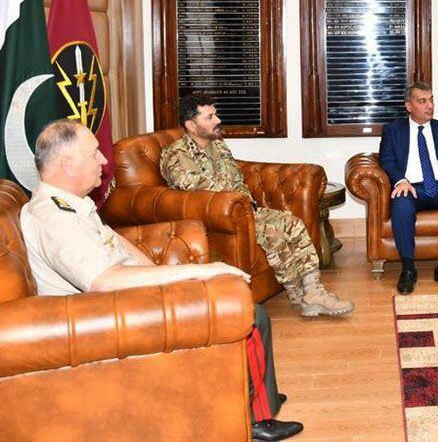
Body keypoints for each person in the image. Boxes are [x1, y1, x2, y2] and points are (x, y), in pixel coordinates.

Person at [20, 120, 303, 441]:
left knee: (232, 299)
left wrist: (160, 275)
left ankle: (256, 391)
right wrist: (197, 272)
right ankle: (255, 417)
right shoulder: (55, 220)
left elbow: (113, 240)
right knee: (251, 315)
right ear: (68, 164)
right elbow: (104, 281)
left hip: (120, 302)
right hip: (105, 318)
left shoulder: (69, 203)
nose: (103, 160)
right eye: (94, 153)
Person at [160, 94, 353, 318]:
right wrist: (239, 207)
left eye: (216, 114)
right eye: (209, 117)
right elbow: (197, 192)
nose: (218, 120)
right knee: (274, 234)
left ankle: (314, 291)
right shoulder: (177, 155)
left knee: (293, 224)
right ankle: (300, 297)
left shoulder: (218, 146)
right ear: (191, 125)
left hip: (243, 211)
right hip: (217, 221)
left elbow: (237, 180)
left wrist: (246, 204)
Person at [379, 82, 438, 295]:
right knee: (401, 203)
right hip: (411, 186)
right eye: (422, 101)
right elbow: (387, 160)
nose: (429, 106)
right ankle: (408, 269)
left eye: (431, 100)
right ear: (409, 106)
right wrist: (400, 180)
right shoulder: (393, 131)